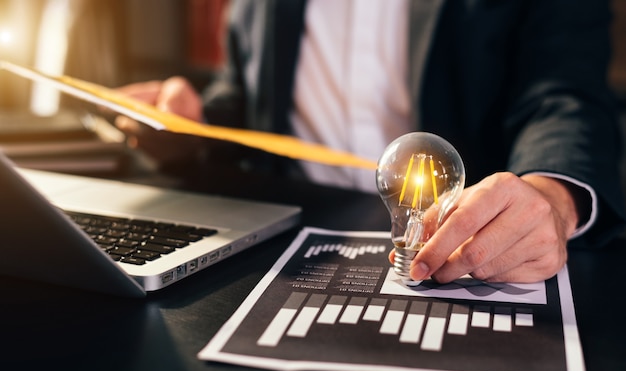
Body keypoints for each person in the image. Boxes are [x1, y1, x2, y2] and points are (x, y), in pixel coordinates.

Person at [116, 0, 626, 284]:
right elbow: (244, 97)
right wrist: (190, 118)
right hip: (282, 240)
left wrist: (552, 197)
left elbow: (565, 97)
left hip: (473, 251)